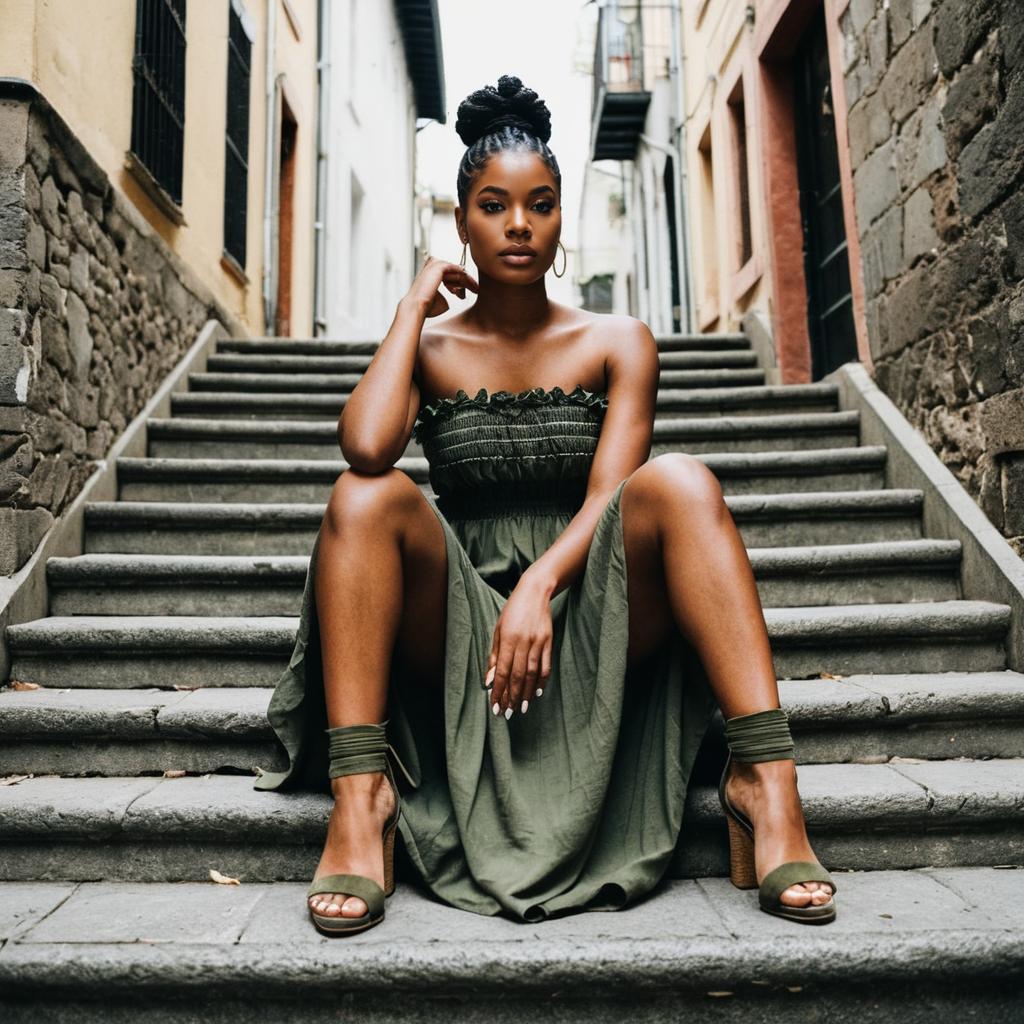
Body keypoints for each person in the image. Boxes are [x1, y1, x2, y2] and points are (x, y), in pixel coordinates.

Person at [254, 74, 836, 934]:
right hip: (457, 623)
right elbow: (367, 446)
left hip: (592, 603)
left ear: (561, 219)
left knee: (680, 482)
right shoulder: (435, 347)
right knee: (362, 497)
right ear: (462, 223)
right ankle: (360, 798)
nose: (519, 225)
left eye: (540, 205)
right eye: (493, 206)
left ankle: (766, 784)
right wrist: (414, 308)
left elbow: (611, 493)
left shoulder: (618, 341)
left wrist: (541, 591)